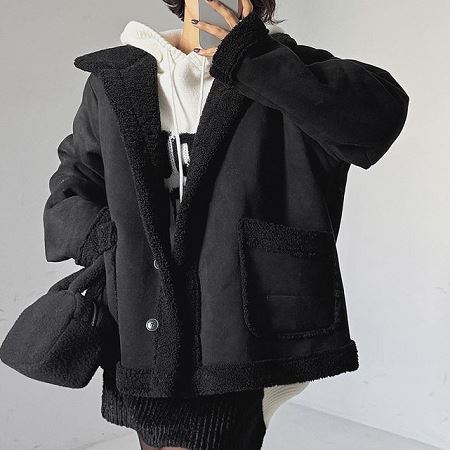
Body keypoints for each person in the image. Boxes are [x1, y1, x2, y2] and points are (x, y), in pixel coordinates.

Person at [43, 0, 409, 448]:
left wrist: (253, 60)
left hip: (244, 321)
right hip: (145, 319)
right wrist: (107, 240)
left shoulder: (286, 73)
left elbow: (378, 120)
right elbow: (74, 181)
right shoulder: (116, 78)